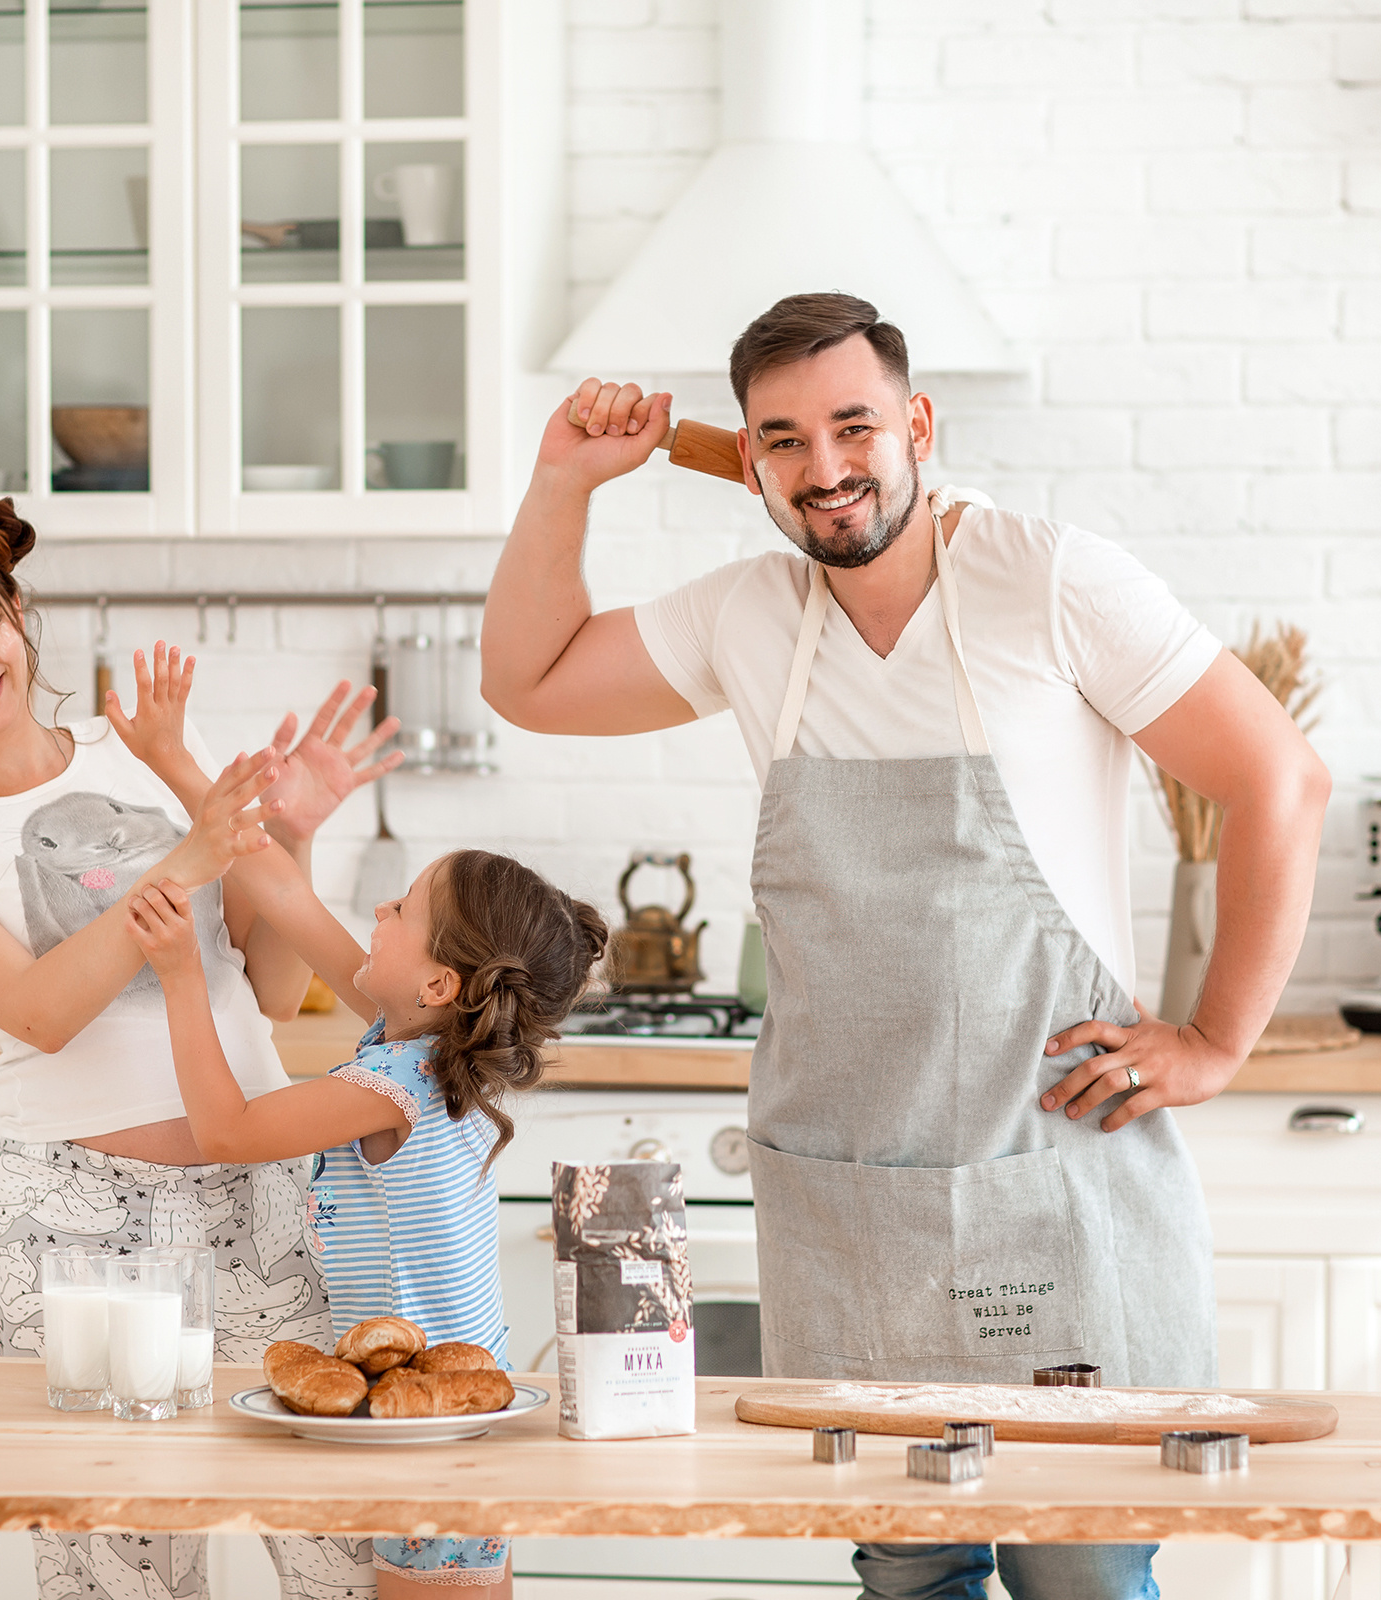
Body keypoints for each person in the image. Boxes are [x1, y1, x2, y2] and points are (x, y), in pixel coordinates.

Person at [478, 294, 1331, 1600]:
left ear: (917, 422)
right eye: (783, 440)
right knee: (908, 1579)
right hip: (857, 1203)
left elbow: (1280, 777)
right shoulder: (749, 619)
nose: (826, 470)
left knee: (1086, 1579)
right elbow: (526, 680)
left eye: (854, 425)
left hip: (1050, 1178)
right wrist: (563, 483)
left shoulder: (1045, 581)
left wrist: (1217, 1041)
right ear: (751, 461)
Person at [0, 494, 401, 1600]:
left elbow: (263, 987)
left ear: (19, 614)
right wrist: (189, 854)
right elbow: (38, 1010)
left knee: (338, 1550)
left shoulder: (148, 751)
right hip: (79, 1216)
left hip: (258, 1185)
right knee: (118, 1567)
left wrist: (293, 841)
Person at [110, 646, 608, 1600]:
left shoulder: (390, 1086)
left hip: (428, 1426)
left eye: (402, 906)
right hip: (453, 1409)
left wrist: (182, 977)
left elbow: (225, 1129)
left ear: (439, 982)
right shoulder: (421, 1043)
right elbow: (287, 895)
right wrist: (177, 765)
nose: (376, 906)